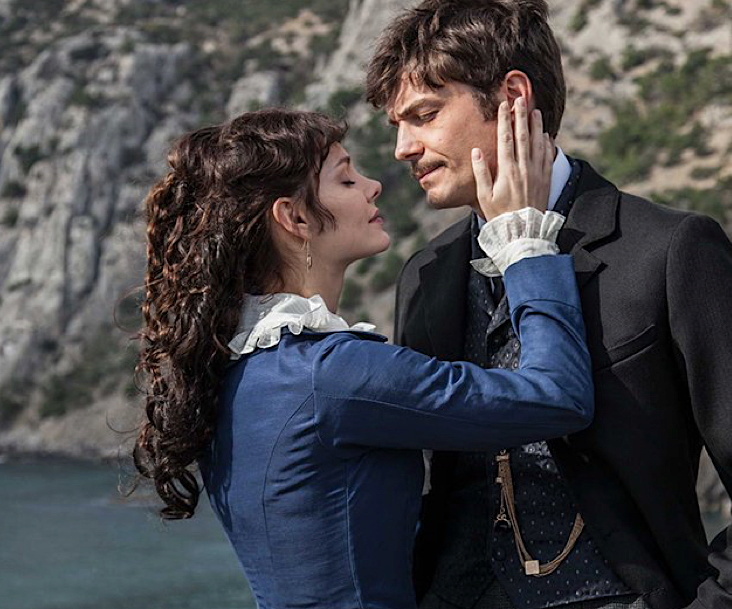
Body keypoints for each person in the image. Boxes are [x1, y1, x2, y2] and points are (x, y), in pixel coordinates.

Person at [366, 0, 732, 609]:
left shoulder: (668, 250)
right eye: (397, 124)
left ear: (513, 97)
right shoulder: (426, 274)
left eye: (425, 115)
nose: (403, 148)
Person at [132, 105, 598, 609]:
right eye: (346, 179)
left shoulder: (239, 370)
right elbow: (556, 397)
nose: (374, 186)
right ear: (295, 218)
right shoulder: (330, 373)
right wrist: (524, 243)